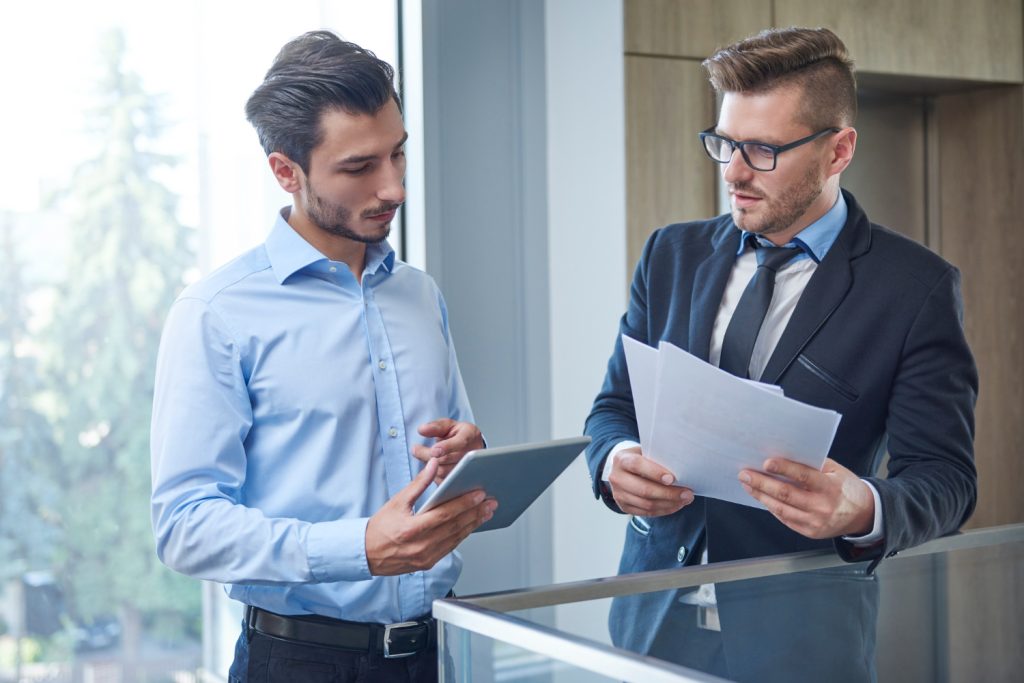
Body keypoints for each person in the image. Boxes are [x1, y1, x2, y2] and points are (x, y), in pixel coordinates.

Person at [584, 26, 977, 682]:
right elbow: (613, 407)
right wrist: (616, 461)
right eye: (725, 143)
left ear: (839, 149)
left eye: (762, 150)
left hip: (803, 647)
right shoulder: (670, 255)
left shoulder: (915, 289)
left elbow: (947, 480)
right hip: (649, 631)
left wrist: (863, 507)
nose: (733, 172)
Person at [150, 31, 496, 683]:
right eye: (360, 167)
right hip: (299, 661)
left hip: (437, 652)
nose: (393, 187)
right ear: (287, 172)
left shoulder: (419, 294)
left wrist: (465, 457)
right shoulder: (217, 313)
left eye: (398, 153)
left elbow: (454, 447)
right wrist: (356, 547)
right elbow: (185, 526)